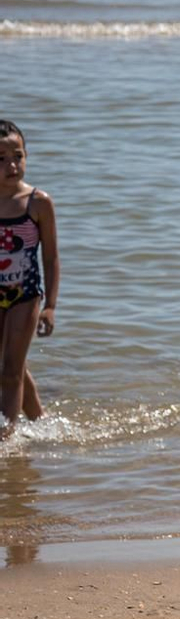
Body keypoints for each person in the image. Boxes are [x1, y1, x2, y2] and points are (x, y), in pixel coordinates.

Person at [0, 121, 58, 437]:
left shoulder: (38, 202)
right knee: (12, 366)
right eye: (1, 159)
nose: (12, 165)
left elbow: (50, 256)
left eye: (18, 156)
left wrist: (51, 305)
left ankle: (6, 438)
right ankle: (40, 422)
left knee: (9, 372)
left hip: (25, 293)